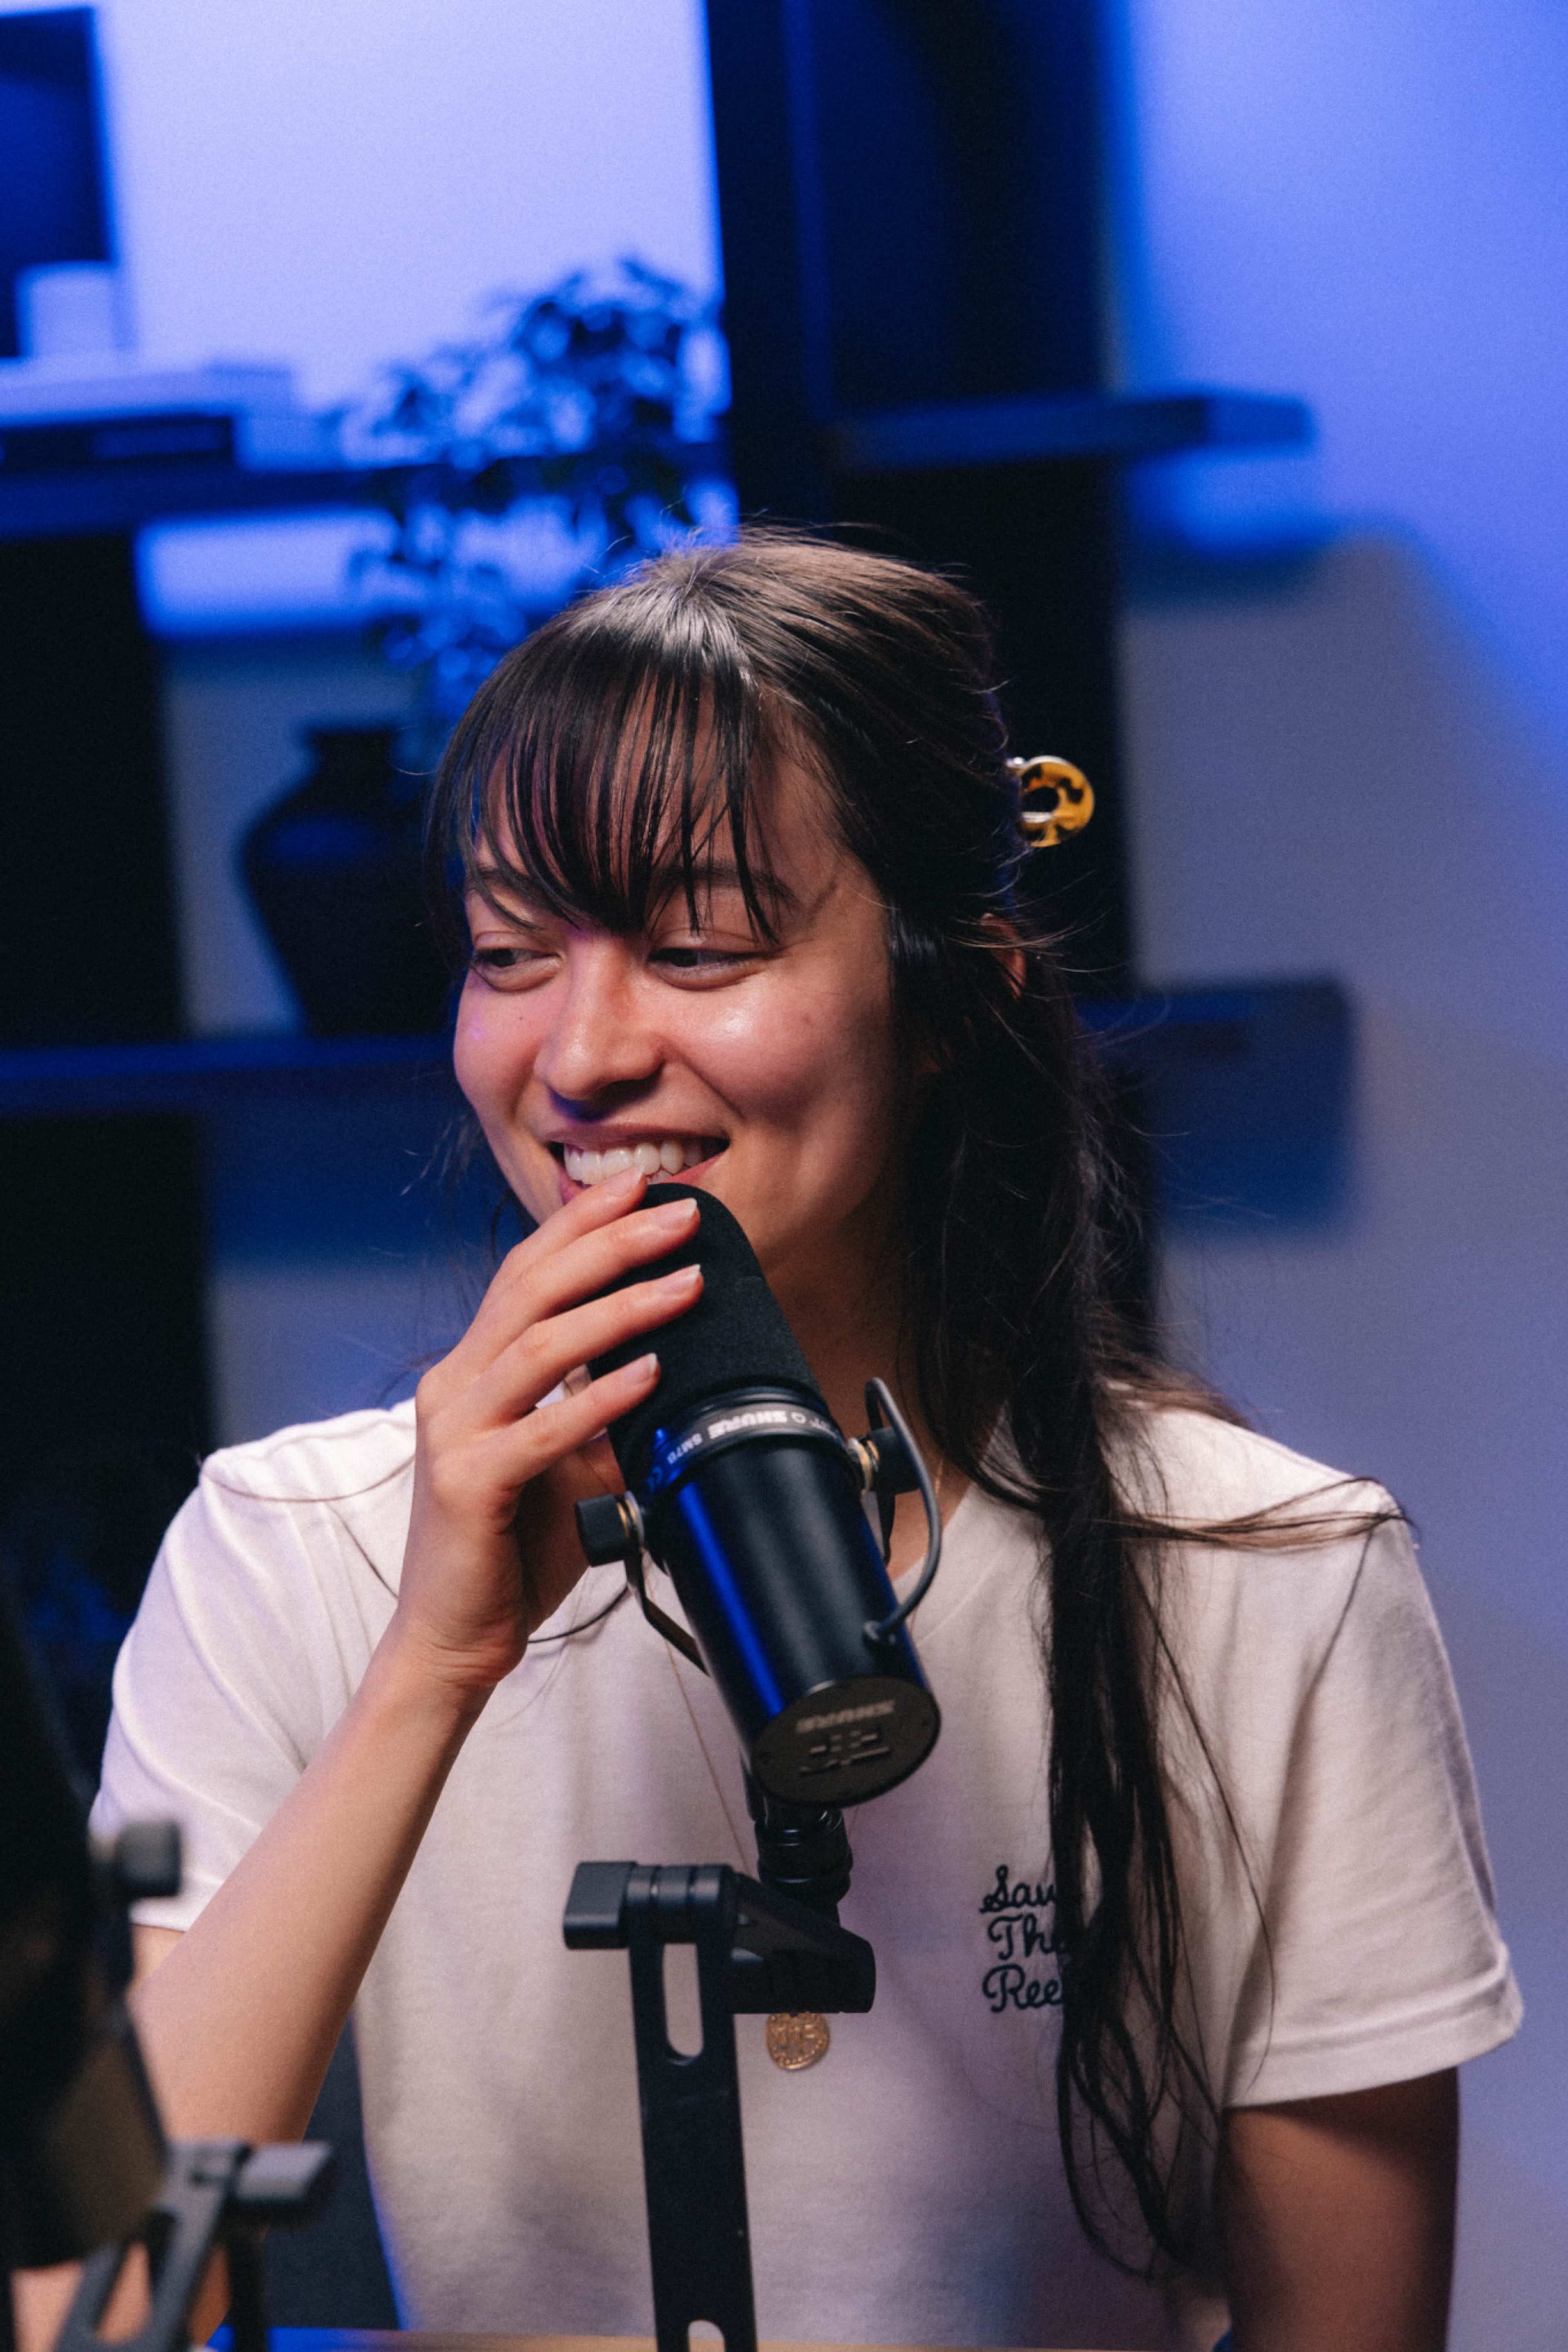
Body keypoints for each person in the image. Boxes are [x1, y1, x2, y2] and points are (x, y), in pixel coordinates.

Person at [82, 533, 1515, 2352]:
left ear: (950, 996)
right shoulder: (293, 1551)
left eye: (699, 945)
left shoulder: (1263, 1581)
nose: (581, 1053)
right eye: (511, 952)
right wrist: (436, 1662)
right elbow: (105, 2295)